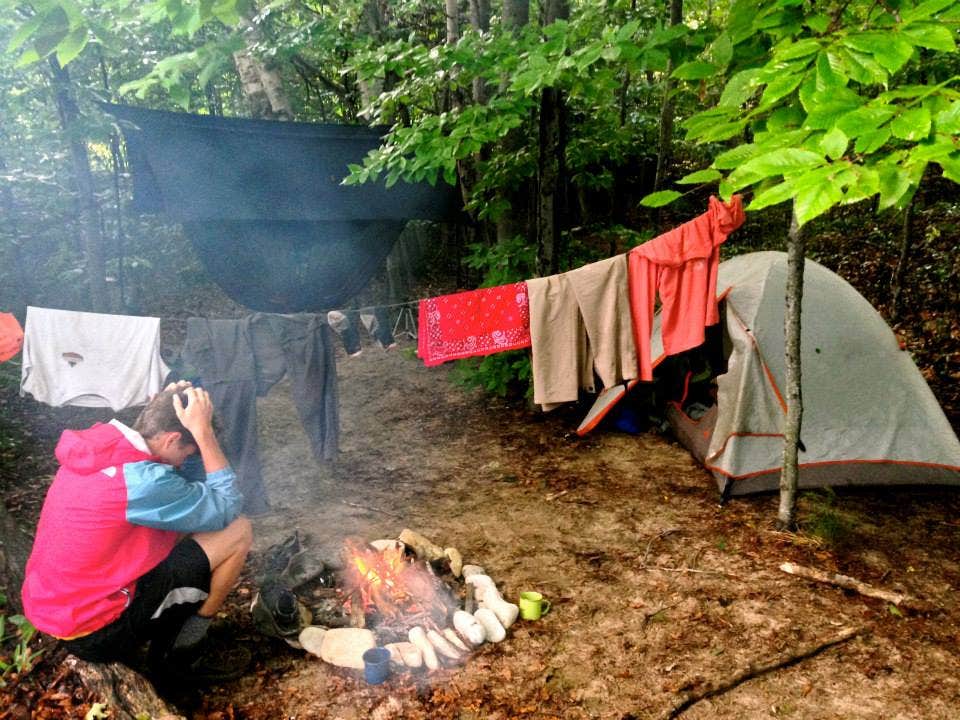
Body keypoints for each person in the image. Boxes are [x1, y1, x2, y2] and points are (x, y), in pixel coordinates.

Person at [20, 382, 253, 682]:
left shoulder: (104, 446)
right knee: (238, 530)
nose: (187, 461)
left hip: (59, 608)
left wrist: (162, 406)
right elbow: (228, 505)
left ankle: (170, 634)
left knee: (192, 524)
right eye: (188, 453)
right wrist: (204, 434)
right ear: (171, 439)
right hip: (97, 630)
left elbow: (185, 490)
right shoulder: (143, 482)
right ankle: (182, 654)